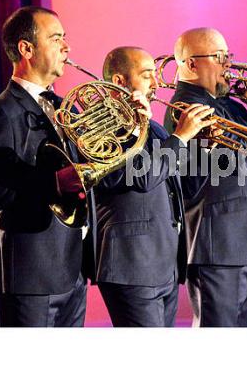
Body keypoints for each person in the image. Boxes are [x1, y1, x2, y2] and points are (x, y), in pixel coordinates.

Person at [164, 27, 247, 327]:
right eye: (219, 57)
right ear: (191, 64)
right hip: (222, 244)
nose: (229, 65)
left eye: (228, 56)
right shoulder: (186, 106)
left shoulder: (226, 103)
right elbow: (234, 157)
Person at [0, 6, 96, 326]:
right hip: (31, 274)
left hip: (73, 270)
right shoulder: (0, 112)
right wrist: (53, 183)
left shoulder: (66, 108)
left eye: (65, 38)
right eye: (56, 39)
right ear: (26, 49)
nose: (66, 47)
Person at [95, 46, 215, 327]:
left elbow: (186, 188)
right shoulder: (100, 126)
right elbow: (142, 177)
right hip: (132, 267)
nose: (156, 82)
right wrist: (181, 137)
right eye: (147, 74)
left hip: (164, 266)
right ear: (120, 82)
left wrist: (203, 145)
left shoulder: (155, 129)